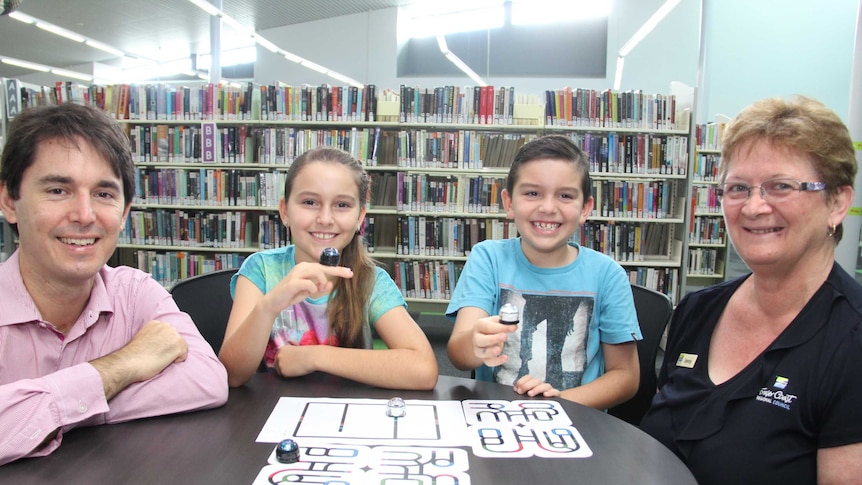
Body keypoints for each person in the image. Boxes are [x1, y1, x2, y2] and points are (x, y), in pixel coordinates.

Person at [640, 96, 862, 484]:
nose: (754, 207)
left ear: (837, 202)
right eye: (738, 188)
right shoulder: (697, 310)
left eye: (780, 186)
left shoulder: (851, 343)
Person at [0, 103, 228, 466]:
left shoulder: (135, 291)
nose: (85, 215)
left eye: (104, 194)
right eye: (58, 190)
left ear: (123, 215)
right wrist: (122, 366)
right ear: (10, 202)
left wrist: (39, 414)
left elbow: (208, 380)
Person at [446, 134, 641, 409]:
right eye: (532, 193)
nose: (548, 208)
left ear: (585, 208)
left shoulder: (607, 275)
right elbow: (459, 354)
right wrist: (475, 344)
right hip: (497, 417)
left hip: (577, 423)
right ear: (509, 203)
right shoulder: (488, 258)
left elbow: (626, 376)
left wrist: (557, 403)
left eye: (565, 195)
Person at [219, 147, 438, 390]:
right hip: (268, 415)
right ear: (284, 211)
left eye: (342, 205)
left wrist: (314, 357)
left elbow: (423, 369)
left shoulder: (370, 280)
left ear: (359, 217)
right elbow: (232, 375)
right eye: (310, 202)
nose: (325, 218)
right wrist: (269, 306)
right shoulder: (262, 269)